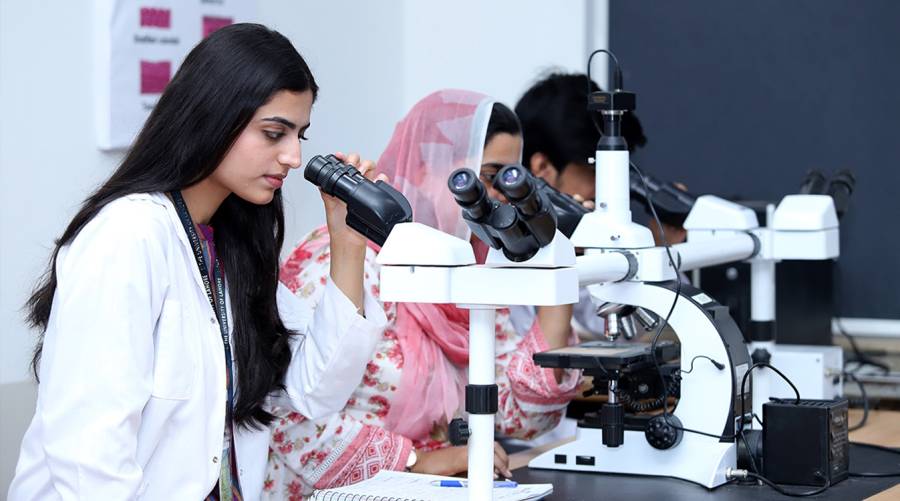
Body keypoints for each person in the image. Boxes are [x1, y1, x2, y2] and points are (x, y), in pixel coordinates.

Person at [9, 23, 386, 501]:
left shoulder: (229, 243)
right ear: (213, 118)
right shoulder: (128, 235)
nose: (293, 156)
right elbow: (90, 455)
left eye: (299, 135)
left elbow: (316, 390)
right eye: (274, 133)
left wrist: (348, 244)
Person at [264, 90, 582, 499]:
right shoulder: (334, 257)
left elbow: (519, 418)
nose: (499, 196)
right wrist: (414, 460)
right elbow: (282, 413)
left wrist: (557, 274)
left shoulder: (471, 268)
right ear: (421, 165)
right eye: (486, 176)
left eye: (510, 179)